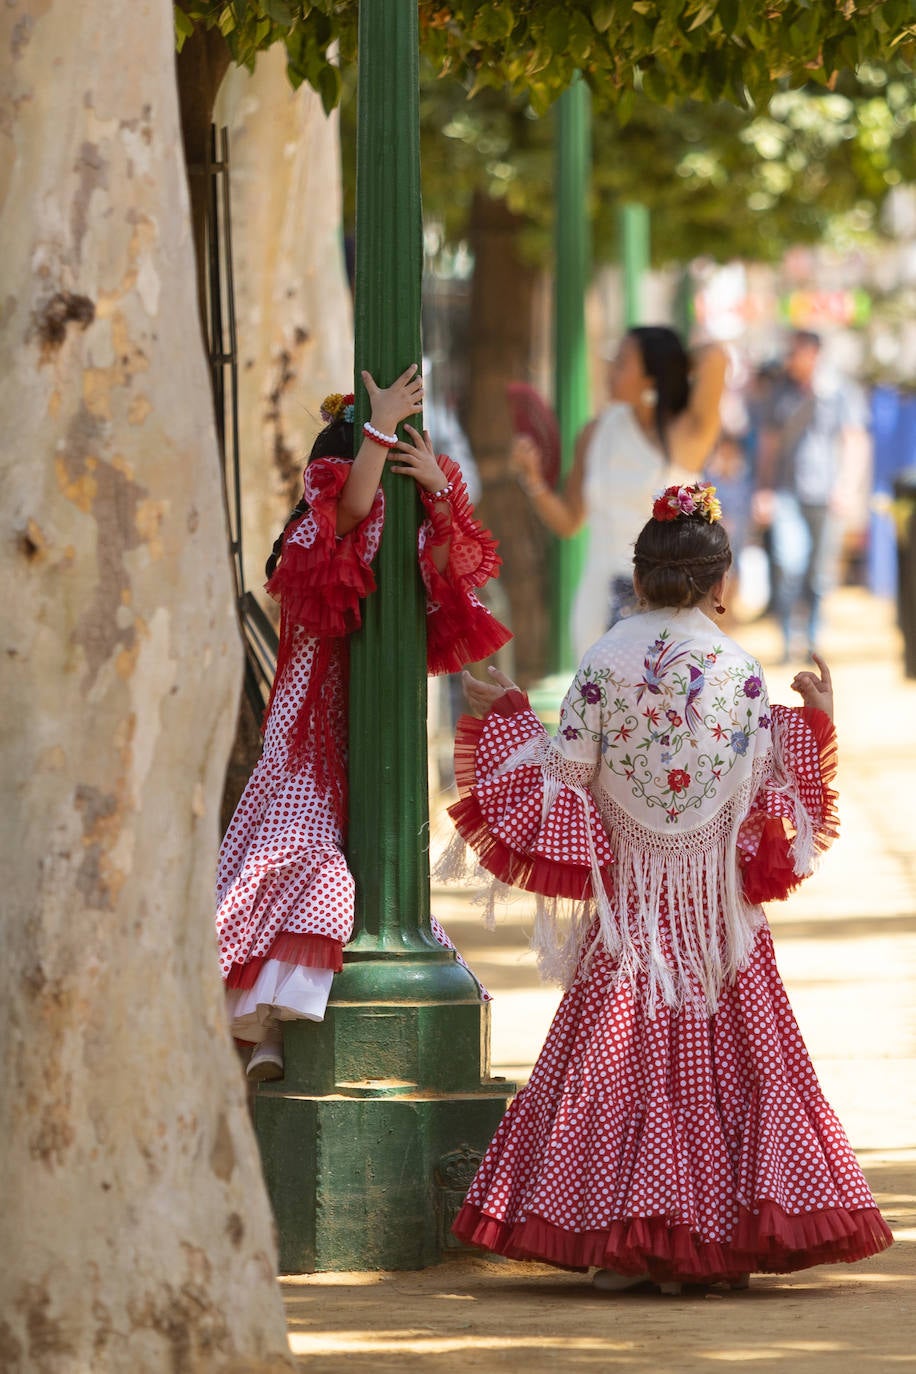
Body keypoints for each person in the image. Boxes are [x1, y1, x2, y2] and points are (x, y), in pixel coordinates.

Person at [447, 480, 893, 1292]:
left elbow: (563, 780)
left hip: (633, 922)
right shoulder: (743, 672)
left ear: (641, 574)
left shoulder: (604, 661)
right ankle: (720, 1245)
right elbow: (770, 800)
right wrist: (819, 718)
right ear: (719, 582)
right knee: (737, 1067)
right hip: (717, 923)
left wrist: (511, 711)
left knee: (617, 1064)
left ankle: (621, 1241)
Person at [216, 366, 512, 1081]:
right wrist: (378, 433)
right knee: (308, 860)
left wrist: (438, 489)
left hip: (373, 741)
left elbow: (445, 573)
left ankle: (277, 1035)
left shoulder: (397, 527)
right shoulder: (313, 539)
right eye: (368, 463)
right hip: (308, 736)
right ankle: (268, 1036)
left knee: (371, 876)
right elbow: (350, 509)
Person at [511, 326, 727, 658]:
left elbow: (715, 357)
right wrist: (534, 480)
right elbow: (569, 522)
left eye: (623, 362)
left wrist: (672, 364)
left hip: (670, 600)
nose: (611, 370)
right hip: (598, 597)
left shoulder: (687, 434)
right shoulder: (596, 432)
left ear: (651, 377)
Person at [754, 331, 866, 663]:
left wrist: (847, 486)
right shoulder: (779, 393)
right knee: (789, 564)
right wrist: (764, 489)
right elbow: (768, 444)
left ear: (814, 354)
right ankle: (789, 641)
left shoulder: (839, 392)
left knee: (819, 573)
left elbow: (855, 439)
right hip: (787, 492)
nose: (791, 358)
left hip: (826, 494)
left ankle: (813, 641)